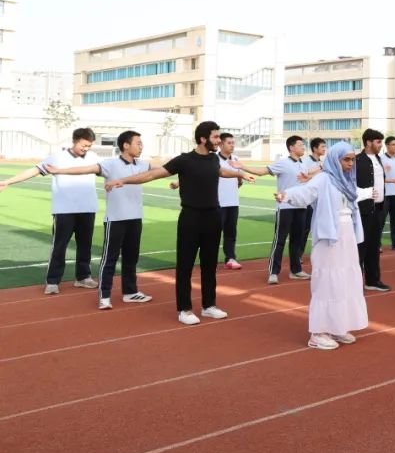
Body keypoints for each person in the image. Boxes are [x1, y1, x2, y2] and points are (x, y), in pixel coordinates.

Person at [105, 121, 253, 326]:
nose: (219, 141)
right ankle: (184, 309)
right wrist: (124, 180)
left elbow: (220, 171)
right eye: (215, 137)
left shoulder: (213, 159)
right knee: (185, 265)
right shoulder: (184, 160)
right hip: (191, 218)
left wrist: (239, 173)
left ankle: (209, 306)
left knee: (209, 265)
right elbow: (152, 174)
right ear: (203, 139)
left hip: (213, 217)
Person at [43, 130, 157, 309]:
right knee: (109, 259)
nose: (141, 146)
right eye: (138, 143)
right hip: (115, 220)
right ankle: (104, 296)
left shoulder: (143, 165)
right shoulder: (110, 164)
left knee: (131, 258)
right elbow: (86, 169)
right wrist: (59, 171)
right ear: (126, 145)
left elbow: (165, 170)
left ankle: (130, 292)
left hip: (136, 218)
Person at [274, 142, 370, 350]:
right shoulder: (324, 178)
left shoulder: (347, 180)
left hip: (347, 235)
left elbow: (354, 200)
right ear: (335, 160)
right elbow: (306, 192)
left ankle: (338, 326)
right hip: (329, 237)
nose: (350, 163)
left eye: (352, 159)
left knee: (345, 280)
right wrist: (287, 195)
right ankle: (318, 332)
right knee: (327, 281)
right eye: (346, 159)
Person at [0, 127, 102, 294]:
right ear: (74, 141)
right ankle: (53, 281)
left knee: (85, 245)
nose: (86, 149)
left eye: (89, 146)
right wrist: (8, 182)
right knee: (59, 246)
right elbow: (34, 170)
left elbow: (108, 170)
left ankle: (83, 277)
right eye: (83, 145)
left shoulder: (94, 157)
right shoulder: (58, 158)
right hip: (64, 210)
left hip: (88, 208)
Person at [235, 136, 312, 285]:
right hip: (285, 207)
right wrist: (242, 167)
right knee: (280, 240)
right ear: (291, 147)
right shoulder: (283, 163)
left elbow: (311, 176)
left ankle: (296, 270)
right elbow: (262, 171)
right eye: (300, 145)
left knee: (297, 241)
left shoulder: (304, 164)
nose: (303, 147)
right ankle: (273, 272)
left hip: (301, 206)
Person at [355, 128, 393, 292]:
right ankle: (355, 282)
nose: (380, 145)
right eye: (378, 142)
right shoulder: (357, 161)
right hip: (363, 210)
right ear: (368, 142)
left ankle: (373, 280)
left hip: (378, 209)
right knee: (361, 247)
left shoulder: (378, 159)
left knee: (374, 246)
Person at [217, 132, 244, 270]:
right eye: (229, 143)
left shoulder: (235, 158)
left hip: (233, 202)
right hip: (218, 203)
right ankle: (209, 259)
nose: (232, 145)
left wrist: (239, 181)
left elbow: (239, 180)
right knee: (214, 233)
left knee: (231, 232)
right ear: (221, 144)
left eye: (233, 143)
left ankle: (230, 258)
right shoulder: (214, 159)